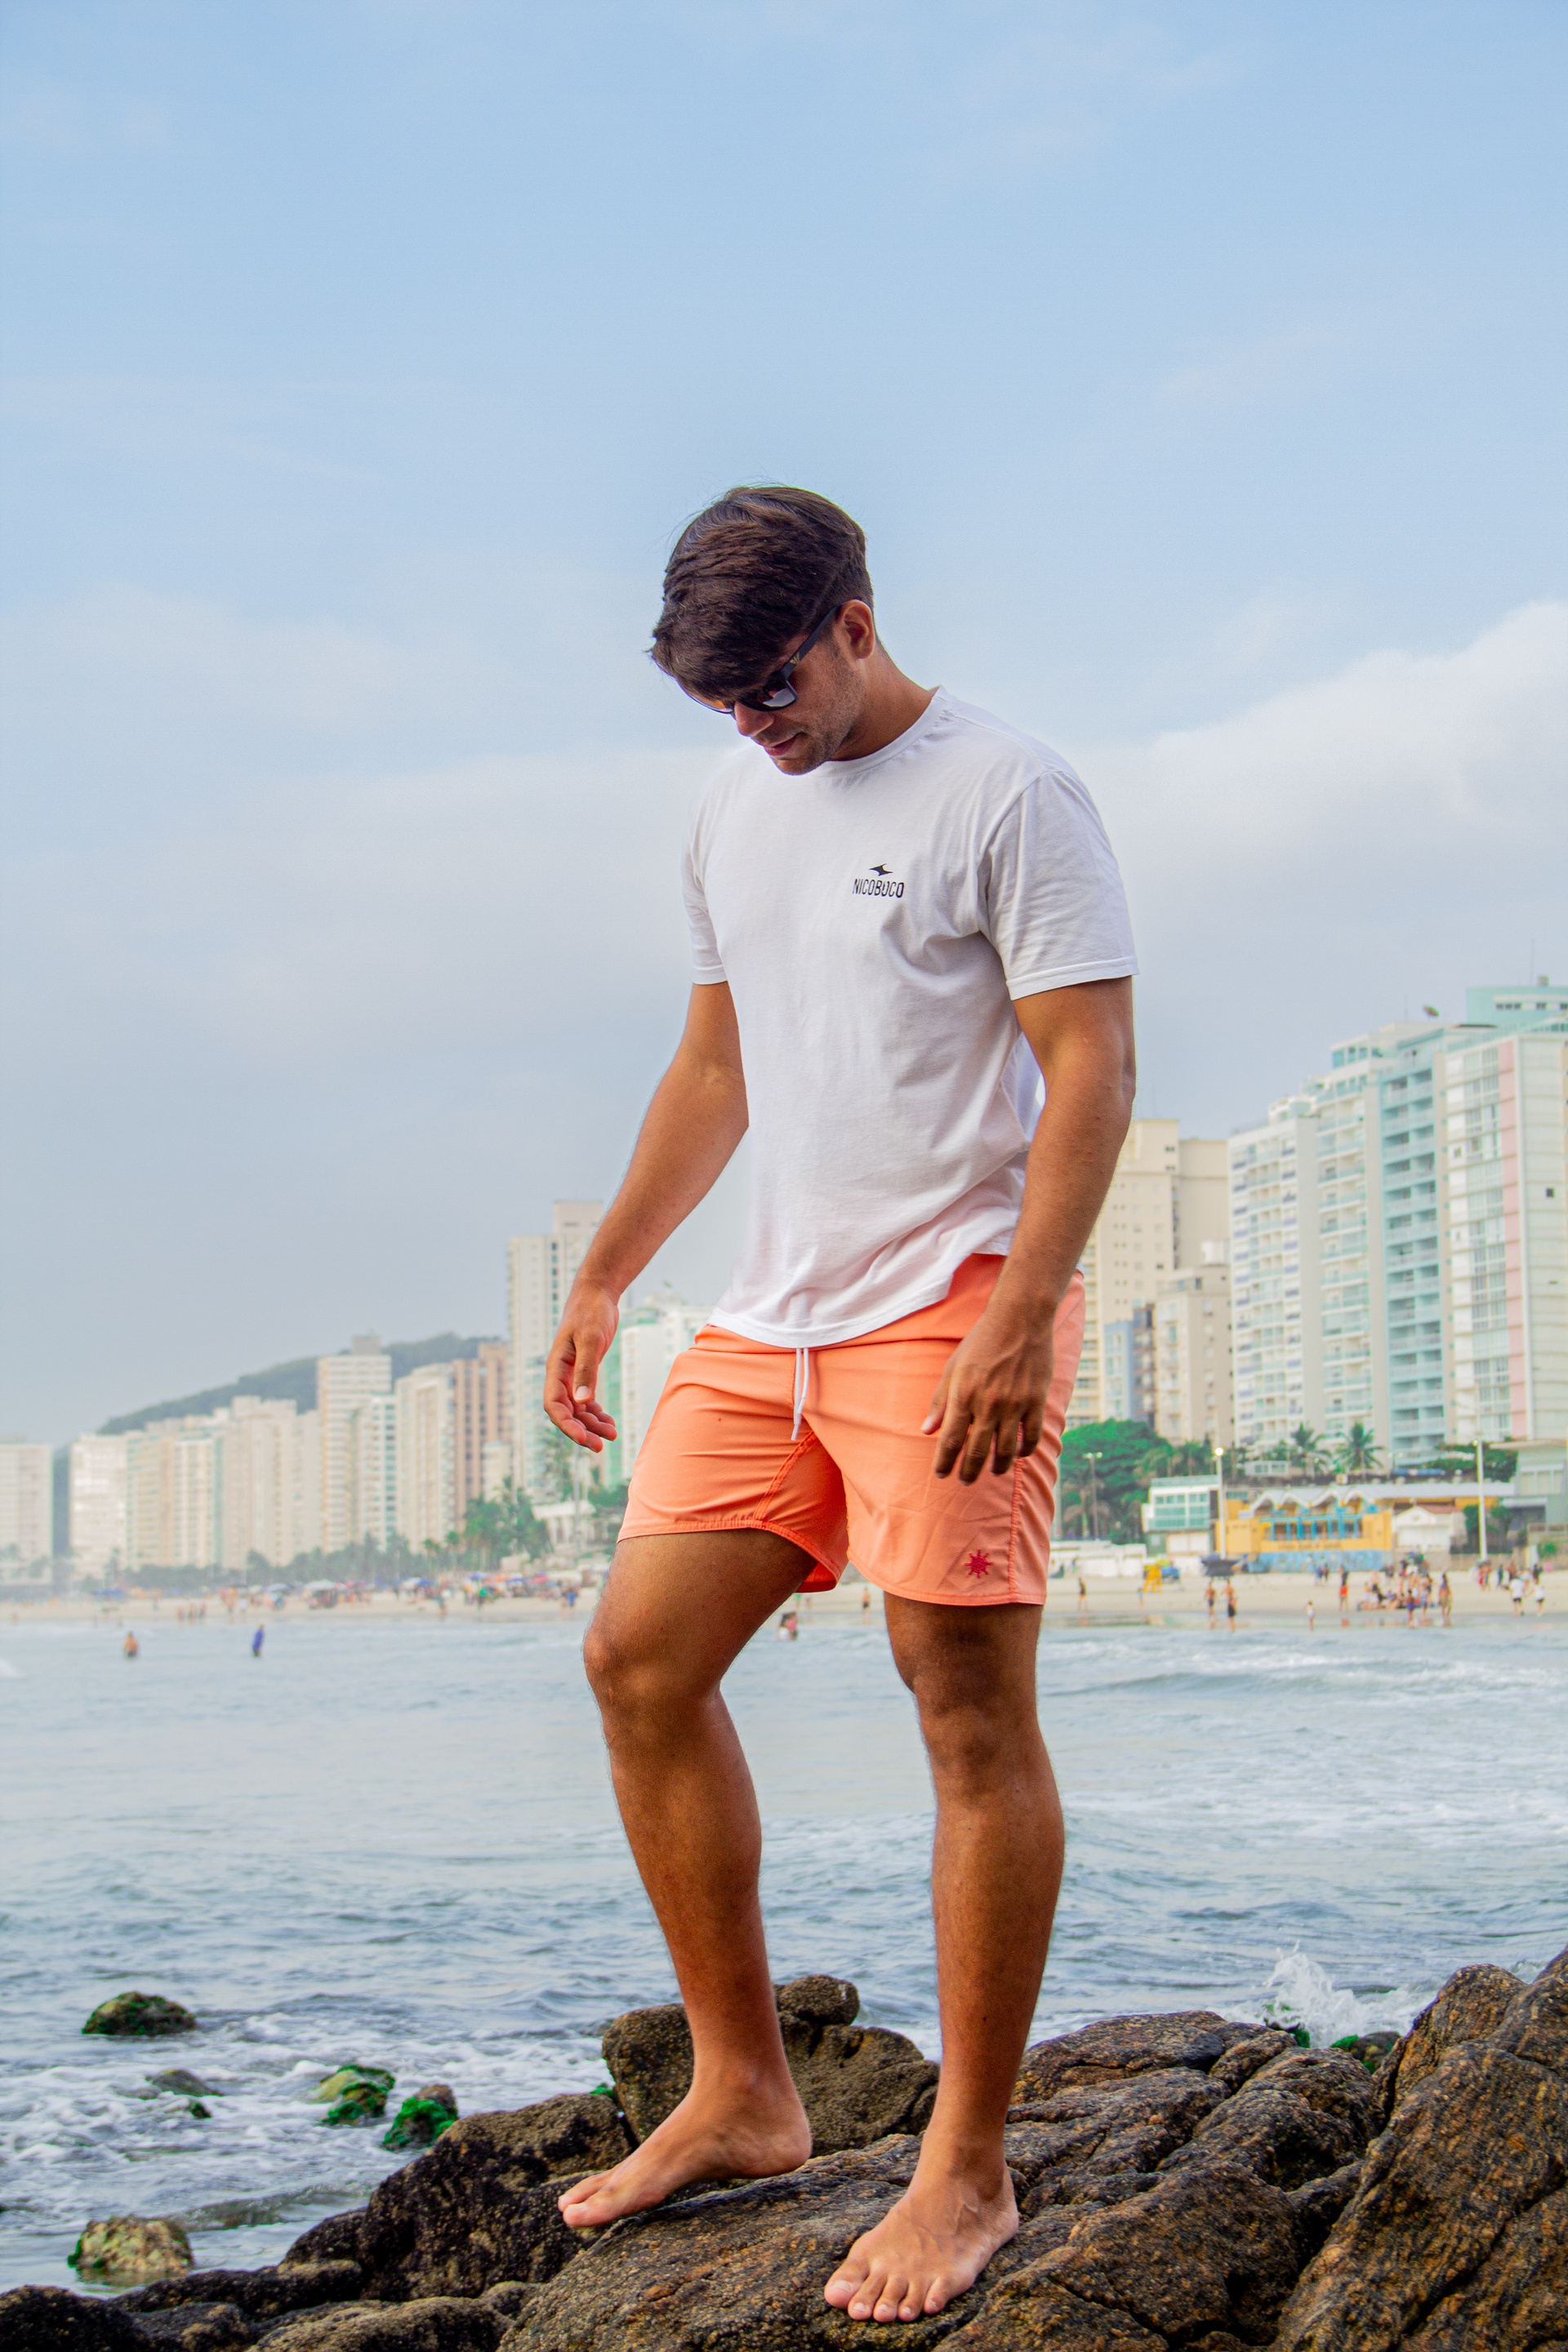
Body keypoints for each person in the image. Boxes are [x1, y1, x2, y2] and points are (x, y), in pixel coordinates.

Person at [542, 487, 1137, 2325]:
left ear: (855, 623)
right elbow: (715, 1065)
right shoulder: (733, 808)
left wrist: (1023, 1315)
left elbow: (1094, 1063)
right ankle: (744, 2091)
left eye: (773, 686)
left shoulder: (1009, 791)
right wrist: (608, 1270)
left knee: (962, 1704)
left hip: (954, 1303)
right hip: (771, 1319)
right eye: (721, 703)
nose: (754, 726)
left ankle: (968, 2168)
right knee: (639, 1661)